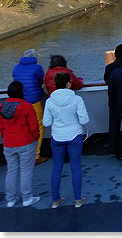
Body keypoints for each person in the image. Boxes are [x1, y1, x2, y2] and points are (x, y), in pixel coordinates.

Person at [43, 72, 89, 208]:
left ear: (55, 84)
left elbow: (46, 122)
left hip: (57, 136)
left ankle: (55, 199)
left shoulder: (50, 101)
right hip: (74, 135)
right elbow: (84, 119)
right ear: (69, 84)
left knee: (57, 167)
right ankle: (78, 199)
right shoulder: (77, 100)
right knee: (76, 166)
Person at [1, 81, 41, 208]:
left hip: (8, 142)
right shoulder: (27, 107)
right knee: (26, 171)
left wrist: (5, 137)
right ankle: (27, 198)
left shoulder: (2, 108)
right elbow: (34, 126)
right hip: (26, 142)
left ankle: (11, 199)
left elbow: (1, 127)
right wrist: (35, 138)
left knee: (11, 170)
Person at [12, 49, 46, 163]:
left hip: (20, 101)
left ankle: (23, 154)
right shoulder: (37, 68)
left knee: (23, 126)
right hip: (34, 100)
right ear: (35, 57)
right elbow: (42, 81)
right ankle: (36, 155)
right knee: (39, 125)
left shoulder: (16, 68)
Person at [103, 44, 122, 160]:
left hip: (113, 100)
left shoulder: (109, 68)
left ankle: (113, 149)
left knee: (113, 125)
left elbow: (106, 81)